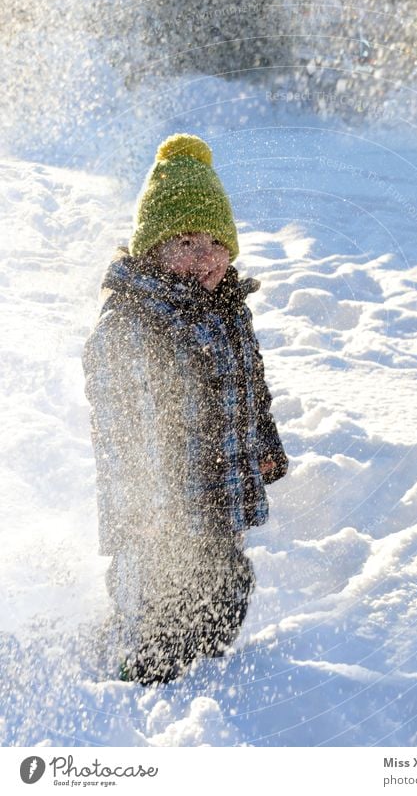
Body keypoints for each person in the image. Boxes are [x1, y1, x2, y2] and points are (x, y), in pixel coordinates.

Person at [82, 133, 288, 684]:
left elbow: (250, 386)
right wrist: (148, 516)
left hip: (220, 498)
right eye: (186, 242)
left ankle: (206, 671)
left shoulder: (229, 311)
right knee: (161, 620)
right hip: (156, 520)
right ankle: (132, 679)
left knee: (226, 595)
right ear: (152, 249)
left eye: (216, 244)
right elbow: (124, 432)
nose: (205, 258)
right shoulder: (129, 327)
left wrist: (265, 446)